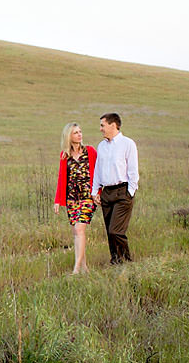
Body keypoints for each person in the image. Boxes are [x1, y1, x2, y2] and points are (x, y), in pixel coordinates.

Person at [91, 113, 139, 264]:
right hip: (107, 192)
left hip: (122, 191)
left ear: (113, 125)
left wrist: (130, 192)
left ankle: (127, 260)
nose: (100, 129)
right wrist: (95, 191)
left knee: (116, 230)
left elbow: (133, 170)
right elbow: (98, 170)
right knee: (109, 232)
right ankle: (116, 261)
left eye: (102, 125)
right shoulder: (102, 146)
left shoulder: (127, 144)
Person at [53, 123, 98, 274]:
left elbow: (99, 171)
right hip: (72, 198)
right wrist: (58, 201)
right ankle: (84, 267)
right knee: (77, 233)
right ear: (69, 136)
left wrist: (98, 191)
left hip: (88, 197)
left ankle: (76, 269)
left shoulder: (90, 151)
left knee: (80, 229)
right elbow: (61, 179)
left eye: (80, 132)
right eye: (75, 133)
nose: (79, 135)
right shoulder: (64, 155)